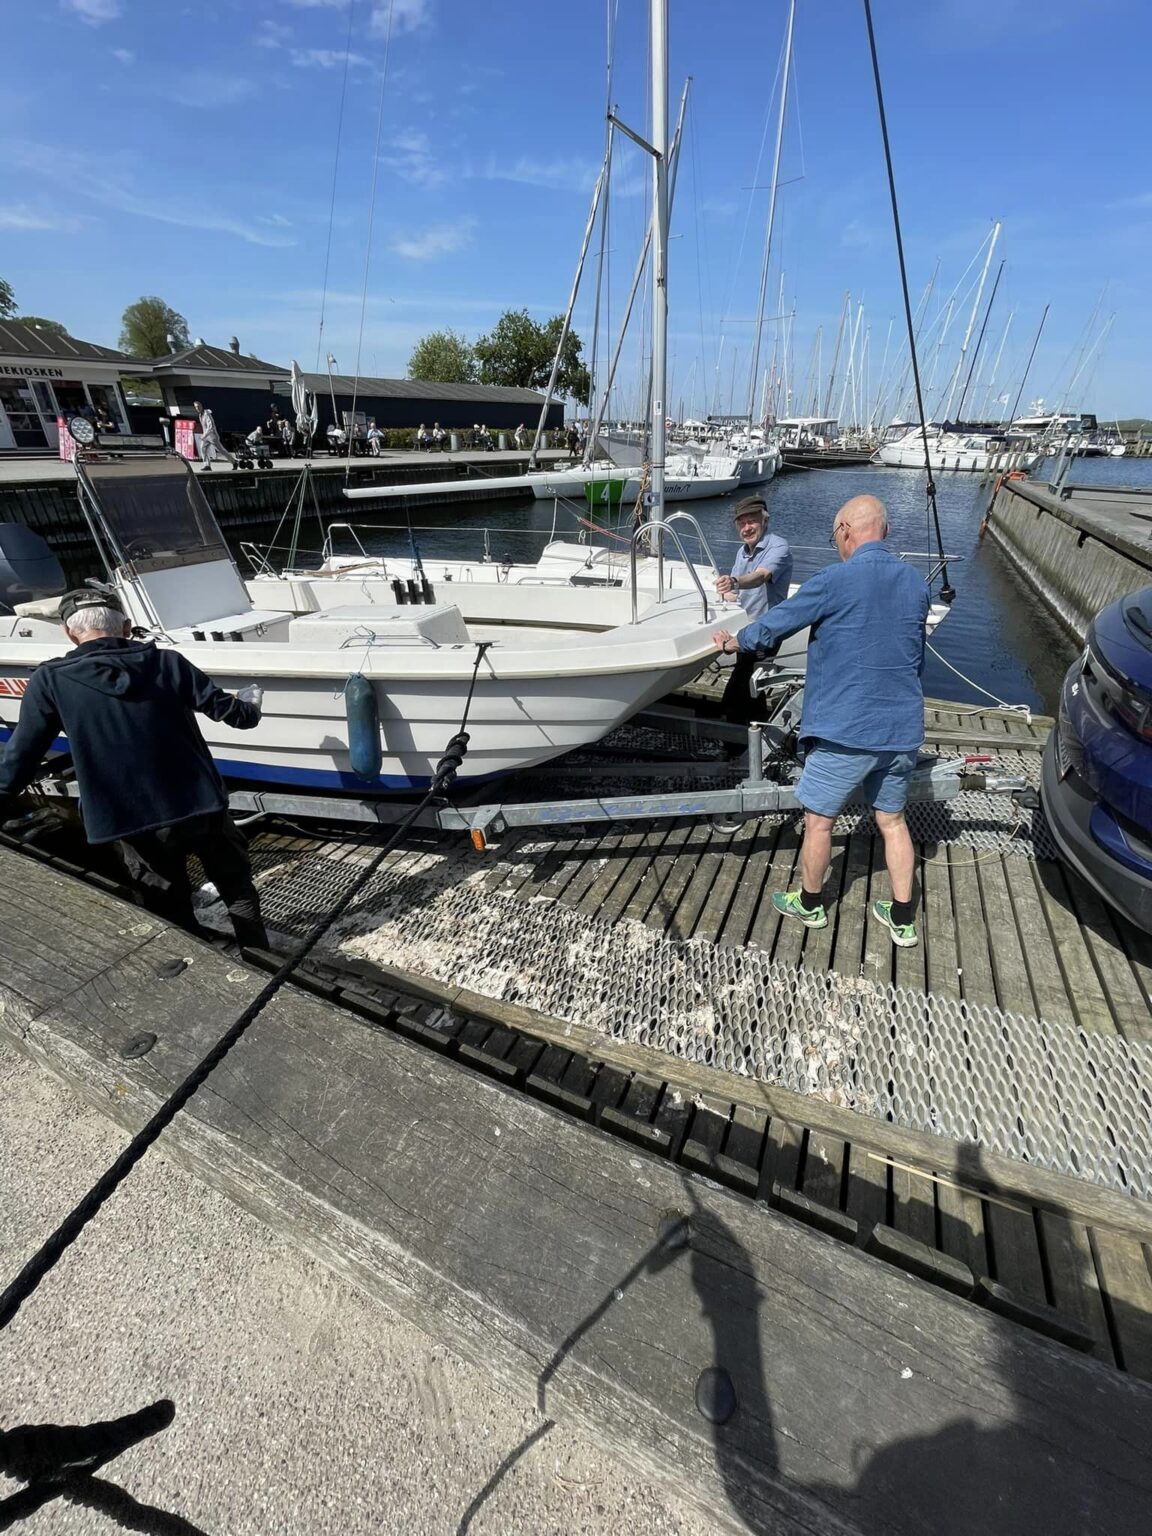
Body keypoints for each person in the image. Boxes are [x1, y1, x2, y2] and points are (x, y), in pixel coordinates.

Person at [712, 494, 930, 948]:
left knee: (819, 822)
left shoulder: (835, 579)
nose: (837, 545)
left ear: (847, 532)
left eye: (836, 537)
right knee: (893, 822)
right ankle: (904, 918)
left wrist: (737, 642)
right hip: (901, 730)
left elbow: (778, 623)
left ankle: (810, 906)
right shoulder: (916, 583)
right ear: (883, 531)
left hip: (846, 730)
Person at [0, 590, 270, 949]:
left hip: (130, 819)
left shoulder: (49, 681)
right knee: (237, 889)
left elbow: (21, 758)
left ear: (69, 633)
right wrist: (251, 701)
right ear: (126, 628)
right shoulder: (168, 662)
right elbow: (238, 717)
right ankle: (260, 959)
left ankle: (198, 970)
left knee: (168, 905)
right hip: (199, 803)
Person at [714, 496, 793, 725]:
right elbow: (736, 591)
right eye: (742, 523)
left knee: (740, 686)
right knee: (751, 685)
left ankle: (731, 738)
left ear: (764, 521)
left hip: (766, 630)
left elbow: (760, 577)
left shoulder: (778, 546)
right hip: (745, 629)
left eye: (752, 521)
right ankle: (756, 733)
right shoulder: (742, 552)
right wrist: (723, 591)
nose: (747, 527)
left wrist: (734, 581)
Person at [194, 400, 235, 470]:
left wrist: (204, 435)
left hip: (212, 436)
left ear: (201, 406)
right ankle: (207, 465)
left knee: (221, 450)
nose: (197, 408)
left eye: (198, 407)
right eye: (196, 407)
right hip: (206, 436)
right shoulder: (200, 415)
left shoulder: (207, 414)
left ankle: (234, 462)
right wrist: (204, 436)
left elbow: (211, 427)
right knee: (202, 448)